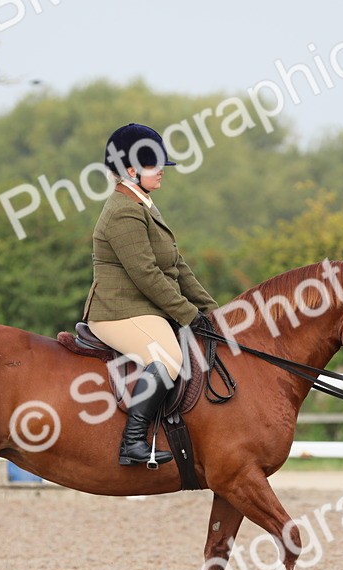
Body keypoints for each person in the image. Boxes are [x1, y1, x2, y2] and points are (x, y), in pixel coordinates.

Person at [81, 122, 219, 466]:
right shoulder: (123, 211)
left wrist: (213, 312)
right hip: (117, 312)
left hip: (142, 309)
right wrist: (189, 315)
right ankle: (132, 442)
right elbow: (147, 275)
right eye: (153, 165)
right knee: (168, 357)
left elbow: (177, 267)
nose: (162, 172)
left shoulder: (143, 204)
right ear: (130, 170)